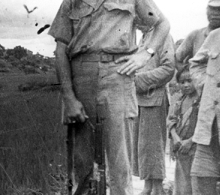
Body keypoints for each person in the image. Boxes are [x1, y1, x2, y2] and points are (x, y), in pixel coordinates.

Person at [48, 0, 170, 194]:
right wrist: (69, 98)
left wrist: (146, 53)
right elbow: (60, 50)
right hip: (81, 78)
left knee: (120, 166)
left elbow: (162, 24)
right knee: (82, 167)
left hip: (118, 76)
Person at [132, 22, 175, 195]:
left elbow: (168, 69)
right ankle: (148, 186)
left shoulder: (163, 36)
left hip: (155, 98)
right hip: (139, 99)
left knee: (154, 145)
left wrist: (138, 81)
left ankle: (157, 188)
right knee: (143, 146)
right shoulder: (142, 38)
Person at [189, 27, 220, 195]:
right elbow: (195, 64)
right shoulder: (216, 36)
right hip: (209, 130)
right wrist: (205, 87)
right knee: (201, 179)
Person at [167, 65, 199, 195]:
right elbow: (171, 120)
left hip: (196, 147)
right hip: (181, 148)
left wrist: (190, 141)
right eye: (182, 82)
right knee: (182, 183)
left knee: (196, 183)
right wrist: (175, 137)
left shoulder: (201, 101)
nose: (186, 85)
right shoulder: (178, 101)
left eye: (189, 81)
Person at [176, 0, 220, 71]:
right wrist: (184, 72)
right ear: (207, 11)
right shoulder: (195, 35)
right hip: (198, 80)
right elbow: (176, 58)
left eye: (219, 9)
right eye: (212, 9)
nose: (215, 13)